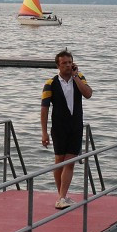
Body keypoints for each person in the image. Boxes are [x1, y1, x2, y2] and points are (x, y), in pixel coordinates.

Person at [40, 50, 93, 209]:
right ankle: (61, 196)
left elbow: (88, 94)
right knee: (59, 161)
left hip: (75, 125)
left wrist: (76, 77)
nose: (68, 66)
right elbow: (44, 109)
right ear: (58, 65)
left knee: (70, 162)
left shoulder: (79, 78)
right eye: (64, 63)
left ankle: (62, 196)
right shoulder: (50, 83)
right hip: (59, 127)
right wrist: (44, 132)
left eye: (70, 62)